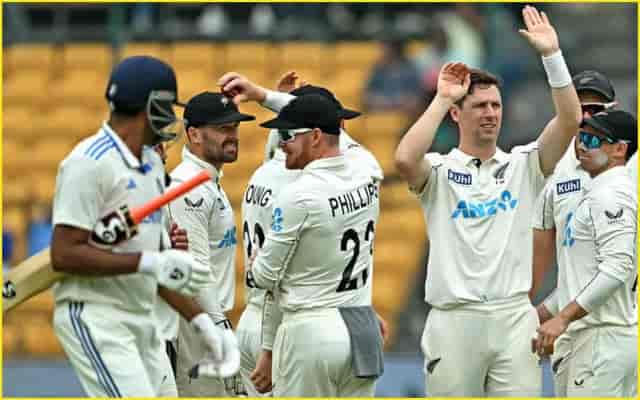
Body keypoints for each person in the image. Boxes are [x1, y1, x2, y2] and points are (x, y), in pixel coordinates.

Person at [393, 6, 582, 396]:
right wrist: (443, 98)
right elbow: (403, 159)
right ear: (457, 115)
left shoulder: (523, 165)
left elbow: (569, 121)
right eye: (480, 106)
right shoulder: (439, 171)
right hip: (453, 319)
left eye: (496, 105)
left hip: (512, 316)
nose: (491, 113)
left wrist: (552, 56)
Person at [50, 55, 210, 397]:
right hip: (96, 315)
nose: (170, 118)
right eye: (167, 107)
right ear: (151, 105)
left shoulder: (151, 163)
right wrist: (148, 262)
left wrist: (202, 322)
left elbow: (156, 263)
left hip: (141, 316)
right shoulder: (88, 163)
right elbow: (63, 254)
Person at [231, 73, 385, 396]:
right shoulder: (367, 168)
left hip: (304, 325)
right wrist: (265, 95)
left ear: (315, 136)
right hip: (360, 322)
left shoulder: (293, 191)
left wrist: (257, 264)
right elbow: (334, 132)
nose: (283, 142)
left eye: (289, 135)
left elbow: (266, 276)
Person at [535, 110, 637, 397]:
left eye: (594, 140)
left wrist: (563, 318)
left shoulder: (612, 194)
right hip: (597, 339)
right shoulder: (597, 191)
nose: (582, 145)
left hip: (602, 338)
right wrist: (542, 315)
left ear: (620, 149)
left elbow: (617, 267)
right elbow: (584, 278)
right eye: (581, 137)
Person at [529, 69, 617, 396]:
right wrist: (539, 314)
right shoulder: (551, 170)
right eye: (580, 110)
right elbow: (573, 271)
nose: (588, 118)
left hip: (616, 328)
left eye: (598, 110)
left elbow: (617, 267)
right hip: (569, 333)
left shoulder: (631, 169)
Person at [165, 91, 255, 397]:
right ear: (194, 134)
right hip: (196, 330)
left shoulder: (206, 182)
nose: (232, 136)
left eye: (234, 128)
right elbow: (195, 269)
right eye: (222, 129)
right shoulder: (187, 188)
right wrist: (219, 331)